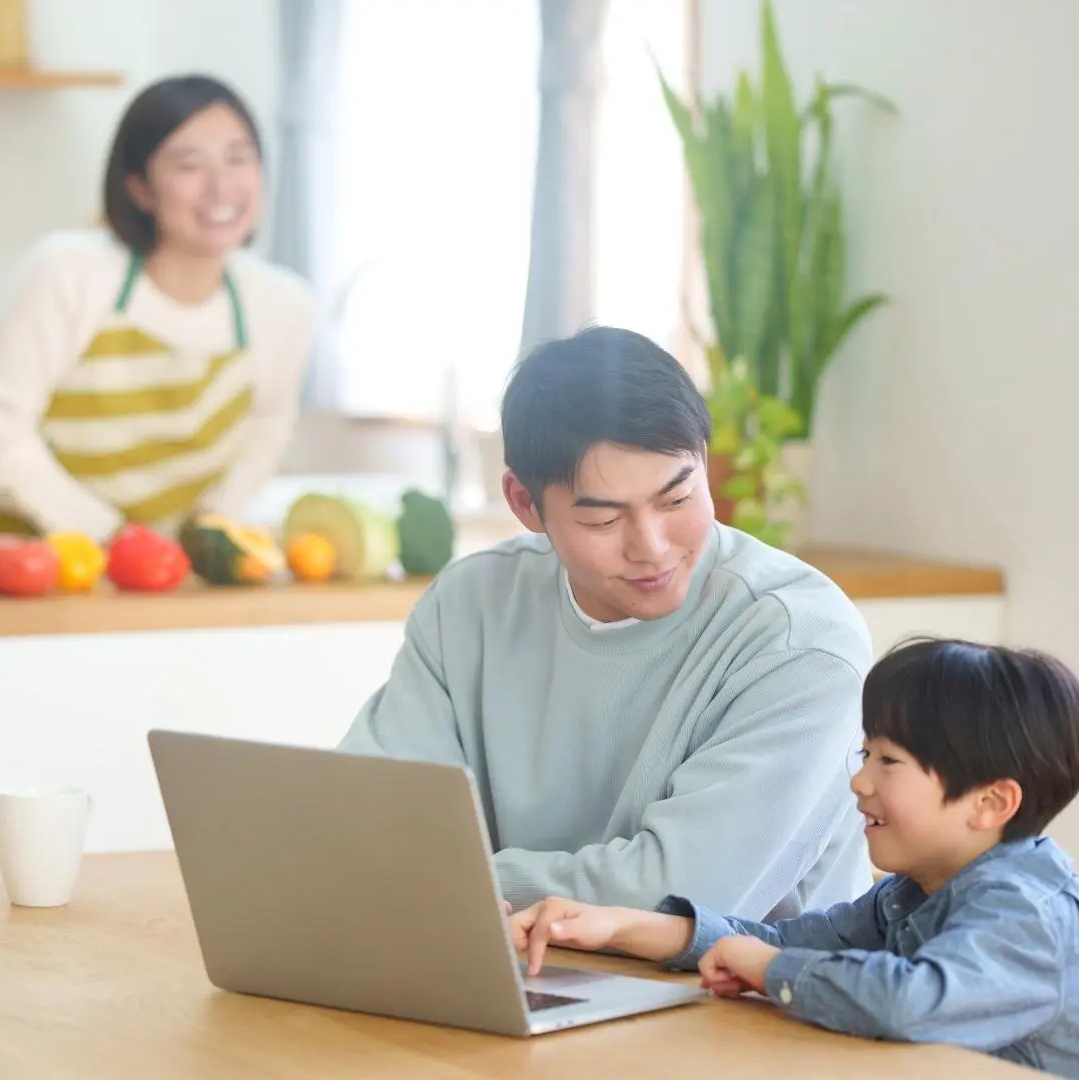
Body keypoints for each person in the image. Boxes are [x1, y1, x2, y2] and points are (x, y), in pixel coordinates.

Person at [337, 326, 875, 919]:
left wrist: (453, 884)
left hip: (736, 999)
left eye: (677, 500)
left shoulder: (800, 640)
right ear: (523, 503)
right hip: (515, 972)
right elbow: (372, 820)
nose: (653, 548)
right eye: (603, 521)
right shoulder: (469, 605)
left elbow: (685, 896)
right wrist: (418, 877)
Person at [506, 638, 1079, 1080]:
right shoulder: (914, 892)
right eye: (865, 755)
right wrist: (614, 926)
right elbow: (779, 941)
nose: (860, 781)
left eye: (890, 761)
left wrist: (769, 970)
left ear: (990, 802)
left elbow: (911, 1003)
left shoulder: (1026, 911)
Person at [0, 74, 313, 545]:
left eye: (239, 159)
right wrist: (116, 540)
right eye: (189, 165)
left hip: (164, 579)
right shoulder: (69, 272)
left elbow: (267, 433)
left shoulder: (283, 304)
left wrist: (208, 535)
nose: (221, 187)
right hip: (30, 562)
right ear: (139, 188)